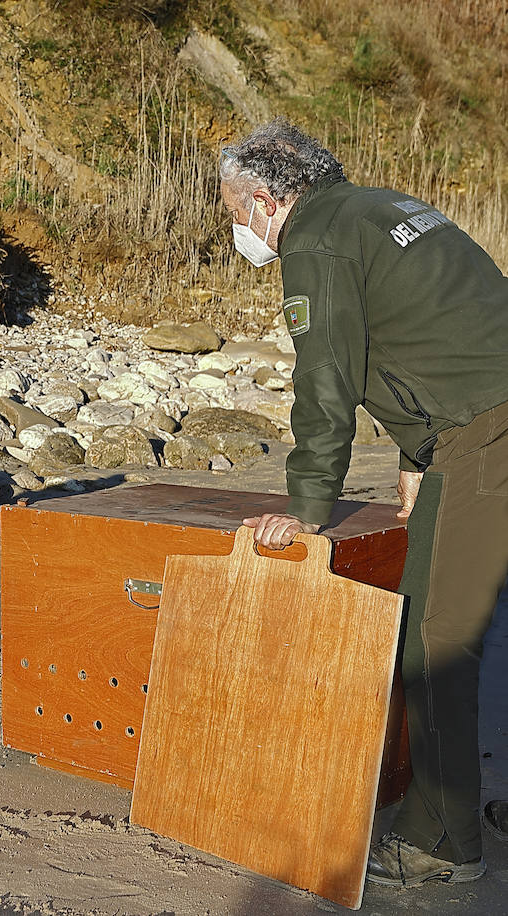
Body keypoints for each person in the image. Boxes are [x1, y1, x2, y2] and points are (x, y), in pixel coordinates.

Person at [219, 118, 508, 888]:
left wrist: (308, 506)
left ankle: (441, 845)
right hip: (476, 420)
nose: (235, 231)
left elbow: (326, 380)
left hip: (491, 430)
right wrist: (417, 461)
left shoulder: (314, 242)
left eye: (232, 213)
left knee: (433, 638)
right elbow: (437, 331)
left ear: (265, 199)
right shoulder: (384, 208)